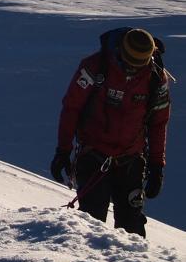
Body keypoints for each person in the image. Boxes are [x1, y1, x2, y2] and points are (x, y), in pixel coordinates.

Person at [51, 27, 171, 237]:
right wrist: (63, 151)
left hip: (131, 160)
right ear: (120, 50)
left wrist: (156, 166)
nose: (132, 69)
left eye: (139, 65)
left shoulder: (156, 78)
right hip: (93, 155)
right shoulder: (95, 67)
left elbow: (158, 123)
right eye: (129, 63)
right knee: (92, 222)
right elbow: (72, 108)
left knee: (132, 227)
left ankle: (131, 258)